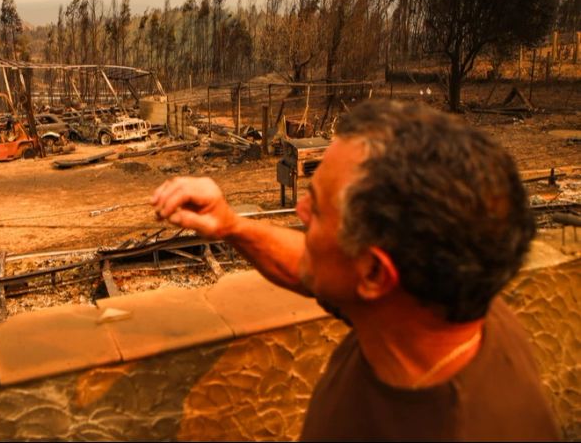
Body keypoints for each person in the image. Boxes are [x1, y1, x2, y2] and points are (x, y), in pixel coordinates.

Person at [151, 99, 559, 441]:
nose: (300, 210)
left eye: (319, 208)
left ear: (375, 275)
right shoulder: (443, 304)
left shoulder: (462, 427)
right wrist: (231, 225)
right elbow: (316, 265)